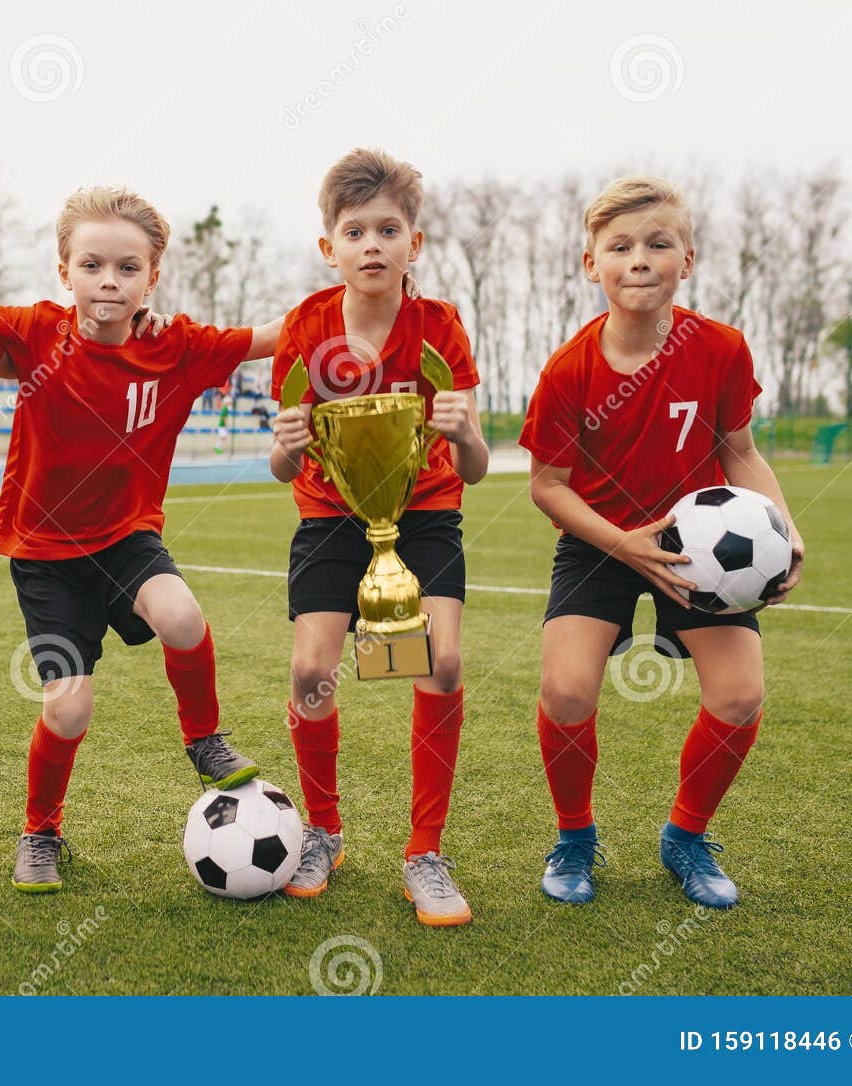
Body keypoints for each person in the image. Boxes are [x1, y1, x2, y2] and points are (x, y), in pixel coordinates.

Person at [0, 185, 285, 893]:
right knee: (69, 705)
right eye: (91, 266)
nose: (108, 282)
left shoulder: (177, 347)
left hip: (126, 539)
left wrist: (357, 302)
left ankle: (203, 739)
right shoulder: (32, 333)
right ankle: (41, 832)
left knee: (181, 615)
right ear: (64, 271)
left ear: (153, 275)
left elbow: (271, 337)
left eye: (126, 268)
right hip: (46, 558)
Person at [518, 176, 805, 910]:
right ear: (593, 266)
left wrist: (782, 523)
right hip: (601, 541)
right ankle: (576, 837)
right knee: (567, 688)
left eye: (657, 243)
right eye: (620, 247)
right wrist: (624, 543)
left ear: (688, 258)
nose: (639, 259)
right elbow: (548, 486)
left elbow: (738, 450)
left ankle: (685, 836)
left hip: (704, 543)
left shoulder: (720, 349)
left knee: (740, 696)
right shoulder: (566, 371)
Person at [269, 148, 488, 927]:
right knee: (309, 673)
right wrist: (288, 443)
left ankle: (424, 852)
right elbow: (278, 464)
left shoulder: (440, 328)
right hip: (330, 519)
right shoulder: (305, 327)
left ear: (414, 245)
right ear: (329, 247)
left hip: (425, 516)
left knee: (443, 660)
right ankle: (322, 831)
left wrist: (464, 433)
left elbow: (479, 466)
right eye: (354, 231)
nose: (372, 245)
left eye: (388, 229)